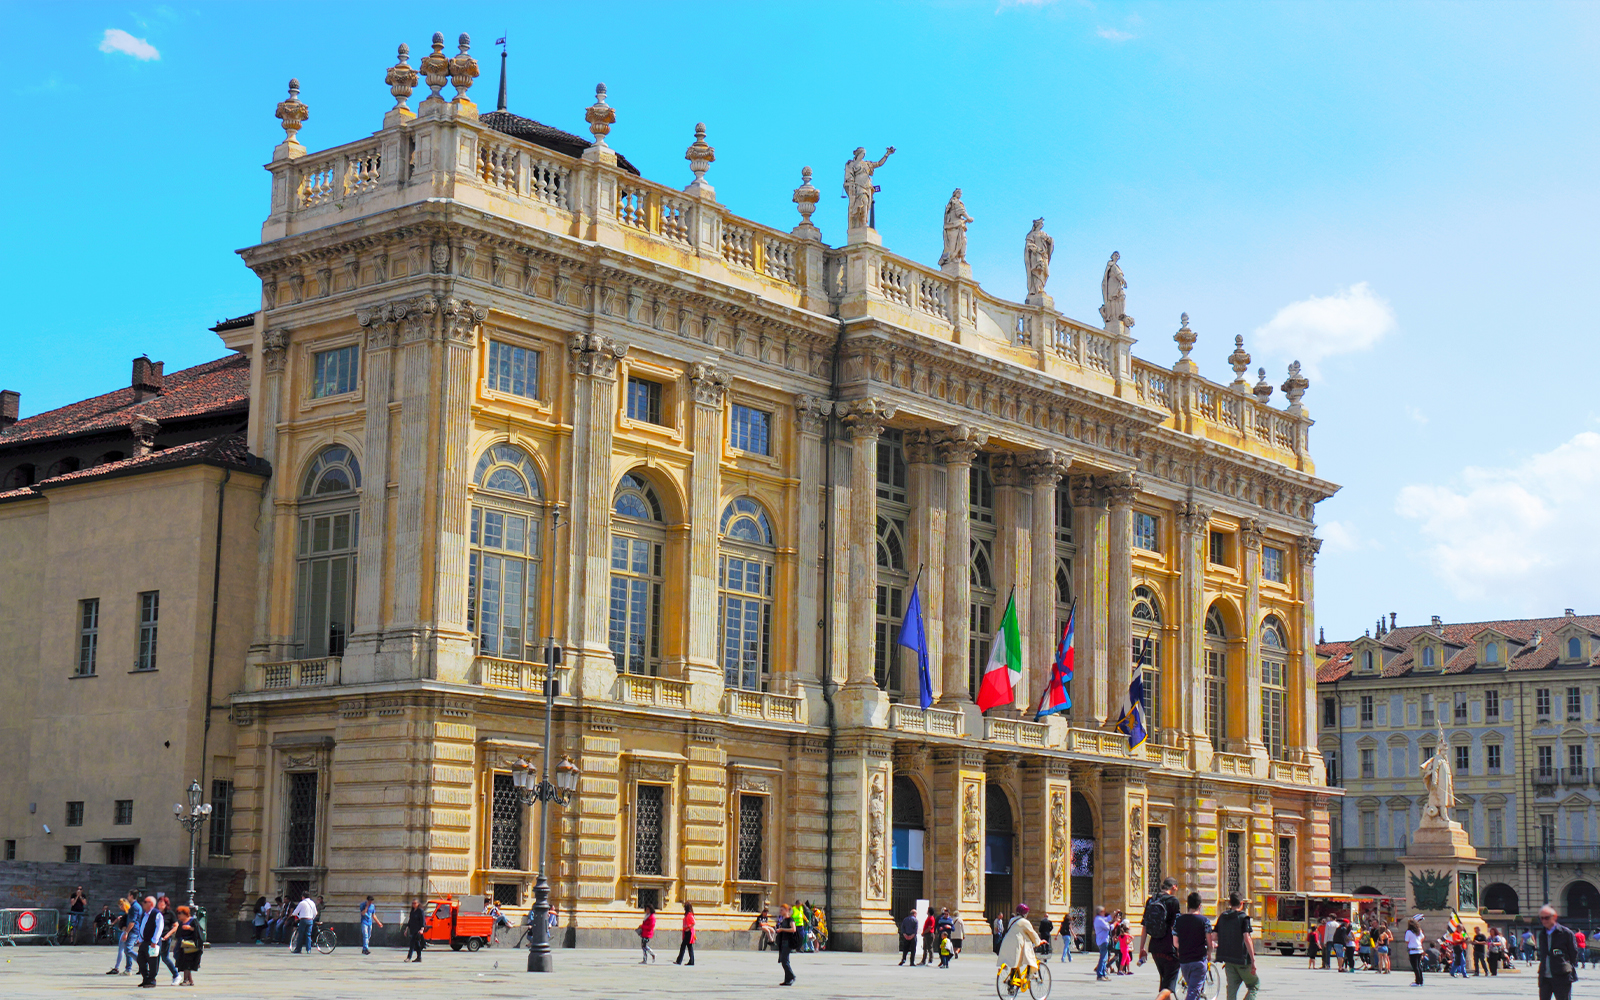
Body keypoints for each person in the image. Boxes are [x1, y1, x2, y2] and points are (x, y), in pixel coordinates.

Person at [1140, 876, 1183, 997]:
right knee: (1168, 986)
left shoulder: (1151, 900)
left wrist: (1142, 948)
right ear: (1174, 887)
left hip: (1154, 947)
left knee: (1165, 982)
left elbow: (1145, 927)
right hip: (1169, 947)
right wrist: (1178, 948)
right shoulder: (1173, 901)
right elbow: (1175, 928)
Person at [1214, 892, 1259, 1000]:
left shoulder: (1223, 917)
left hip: (1228, 960)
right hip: (1242, 960)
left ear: (1229, 903)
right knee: (1254, 985)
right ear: (1242, 903)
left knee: (1231, 990)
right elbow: (1247, 938)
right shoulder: (1243, 918)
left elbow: (1214, 936)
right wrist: (1253, 960)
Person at [1174, 893, 1212, 1000]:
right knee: (1193, 992)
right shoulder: (1205, 921)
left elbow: (1175, 943)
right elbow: (1209, 942)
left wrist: (1181, 949)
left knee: (1193, 988)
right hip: (1198, 960)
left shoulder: (1179, 921)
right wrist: (1209, 953)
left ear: (1188, 905)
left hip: (1184, 961)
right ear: (1200, 906)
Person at [1538, 905, 1580, 1000]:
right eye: (1542, 918)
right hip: (1545, 977)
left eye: (1547, 918)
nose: (1544, 921)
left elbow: (1573, 953)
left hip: (1562, 976)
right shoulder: (1542, 934)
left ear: (1554, 917)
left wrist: (1564, 965)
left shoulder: (1566, 933)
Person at [998, 904, 1043, 981]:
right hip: (1017, 944)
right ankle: (1029, 974)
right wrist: (1038, 942)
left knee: (1014, 962)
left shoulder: (1012, 920)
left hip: (1007, 943)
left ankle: (1011, 983)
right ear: (1025, 913)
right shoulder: (1025, 922)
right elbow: (1032, 933)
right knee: (1029, 957)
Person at [109, 895, 142, 976]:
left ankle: (141, 961)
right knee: (126, 950)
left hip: (130, 931)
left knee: (126, 949)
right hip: (130, 931)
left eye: (120, 905)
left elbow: (132, 922)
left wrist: (126, 932)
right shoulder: (131, 909)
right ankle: (128, 968)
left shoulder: (132, 909)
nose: (119, 907)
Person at [135, 895, 163, 989]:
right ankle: (145, 978)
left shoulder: (156, 914)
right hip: (144, 942)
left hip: (152, 942)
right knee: (140, 960)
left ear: (150, 904)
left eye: (145, 902)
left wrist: (154, 941)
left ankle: (152, 980)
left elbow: (159, 928)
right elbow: (141, 926)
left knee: (153, 962)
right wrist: (140, 939)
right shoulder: (144, 914)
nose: (143, 903)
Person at [170, 905, 202, 986]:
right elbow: (177, 935)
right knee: (184, 963)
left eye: (180, 914)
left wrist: (190, 928)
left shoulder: (193, 921)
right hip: (182, 946)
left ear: (185, 914)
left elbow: (199, 932)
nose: (178, 916)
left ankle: (186, 980)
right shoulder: (181, 923)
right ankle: (190, 980)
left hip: (191, 945)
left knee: (187, 963)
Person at [155, 896, 180, 985]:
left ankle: (176, 975)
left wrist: (168, 935)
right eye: (159, 902)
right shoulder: (155, 913)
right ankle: (152, 977)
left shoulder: (170, 914)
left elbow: (176, 926)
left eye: (162, 902)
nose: (160, 904)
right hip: (156, 939)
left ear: (166, 904)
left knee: (165, 958)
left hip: (165, 938)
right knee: (155, 958)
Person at [776, 907, 797, 986]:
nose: (780, 911)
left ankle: (791, 976)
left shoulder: (790, 920)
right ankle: (787, 979)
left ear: (787, 910)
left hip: (788, 942)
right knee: (783, 961)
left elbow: (793, 929)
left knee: (785, 961)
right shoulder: (783, 920)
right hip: (783, 942)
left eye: (782, 910)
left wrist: (782, 929)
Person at [1405, 918, 1426, 987]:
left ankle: (1417, 981)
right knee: (1419, 966)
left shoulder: (1408, 932)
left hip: (1413, 950)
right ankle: (1421, 980)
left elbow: (1406, 941)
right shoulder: (1419, 931)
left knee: (1415, 966)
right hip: (1419, 949)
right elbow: (1423, 937)